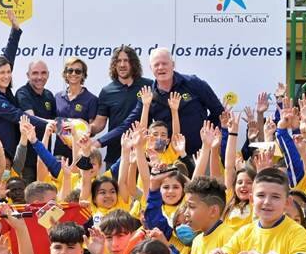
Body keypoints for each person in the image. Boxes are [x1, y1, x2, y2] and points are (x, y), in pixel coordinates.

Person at [92, 48, 224, 158]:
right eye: (156, 64)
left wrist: (206, 129)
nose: (160, 68)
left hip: (200, 154)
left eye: (164, 63)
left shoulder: (194, 83)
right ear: (151, 68)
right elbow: (129, 124)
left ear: (173, 64)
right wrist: (98, 142)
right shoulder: (148, 95)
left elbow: (218, 111)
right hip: (168, 159)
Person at [0, 11, 49, 162]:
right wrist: (50, 124)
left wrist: (15, 31)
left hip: (11, 154)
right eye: (1, 73)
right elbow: (20, 117)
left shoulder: (3, 90)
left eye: (8, 72)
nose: (6, 76)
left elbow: (8, 57)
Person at [92, 46, 153, 168]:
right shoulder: (107, 91)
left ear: (133, 63)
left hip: (144, 154)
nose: (122, 64)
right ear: (114, 65)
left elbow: (130, 122)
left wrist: (99, 142)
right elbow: (99, 123)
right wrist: (84, 130)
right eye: (118, 61)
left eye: (126, 60)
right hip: (115, 155)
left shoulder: (148, 86)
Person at [15, 60, 58, 182]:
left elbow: (55, 122)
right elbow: (31, 119)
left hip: (45, 158)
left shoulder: (49, 95)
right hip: (27, 160)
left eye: (43, 73)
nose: (39, 77)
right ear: (28, 75)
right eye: (35, 73)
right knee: (28, 198)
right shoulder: (22, 93)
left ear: (48, 75)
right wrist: (52, 124)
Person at [54, 58, 98, 160]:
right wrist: (63, 136)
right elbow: (55, 122)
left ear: (83, 74)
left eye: (78, 71)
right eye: (70, 70)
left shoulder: (91, 99)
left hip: (81, 151)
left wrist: (77, 139)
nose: (73, 74)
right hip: (60, 151)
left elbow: (92, 128)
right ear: (65, 74)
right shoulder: (57, 97)